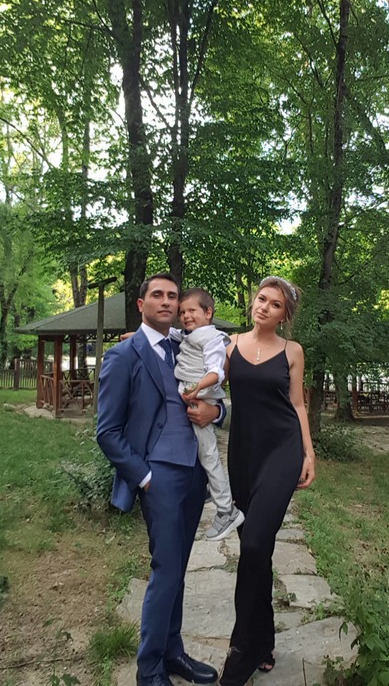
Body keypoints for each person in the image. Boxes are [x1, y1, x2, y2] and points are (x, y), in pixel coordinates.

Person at [96, 273, 222, 686]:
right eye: (158, 295)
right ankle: (149, 669)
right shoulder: (123, 355)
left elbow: (220, 395)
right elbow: (107, 431)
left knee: (179, 566)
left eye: (173, 296)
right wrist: (145, 477)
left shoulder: (190, 346)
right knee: (167, 568)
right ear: (141, 304)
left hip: (194, 472)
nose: (167, 302)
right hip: (159, 475)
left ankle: (173, 653)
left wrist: (217, 413)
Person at [217, 276, 316, 686]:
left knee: (256, 544)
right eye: (262, 299)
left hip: (282, 452)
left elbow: (297, 403)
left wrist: (308, 452)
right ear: (253, 302)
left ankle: (242, 649)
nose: (265, 307)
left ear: (283, 316)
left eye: (275, 305)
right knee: (255, 550)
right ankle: (264, 640)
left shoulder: (292, 351)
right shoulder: (230, 346)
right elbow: (203, 377)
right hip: (243, 455)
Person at [174, 287, 245, 541]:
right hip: (194, 395)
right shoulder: (187, 335)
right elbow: (168, 333)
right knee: (205, 454)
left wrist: (196, 388)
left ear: (208, 313)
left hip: (200, 396)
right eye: (182, 312)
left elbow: (216, 373)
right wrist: (137, 335)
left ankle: (226, 510)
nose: (185, 316)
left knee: (210, 455)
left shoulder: (213, 339)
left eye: (191, 310)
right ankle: (208, 487)